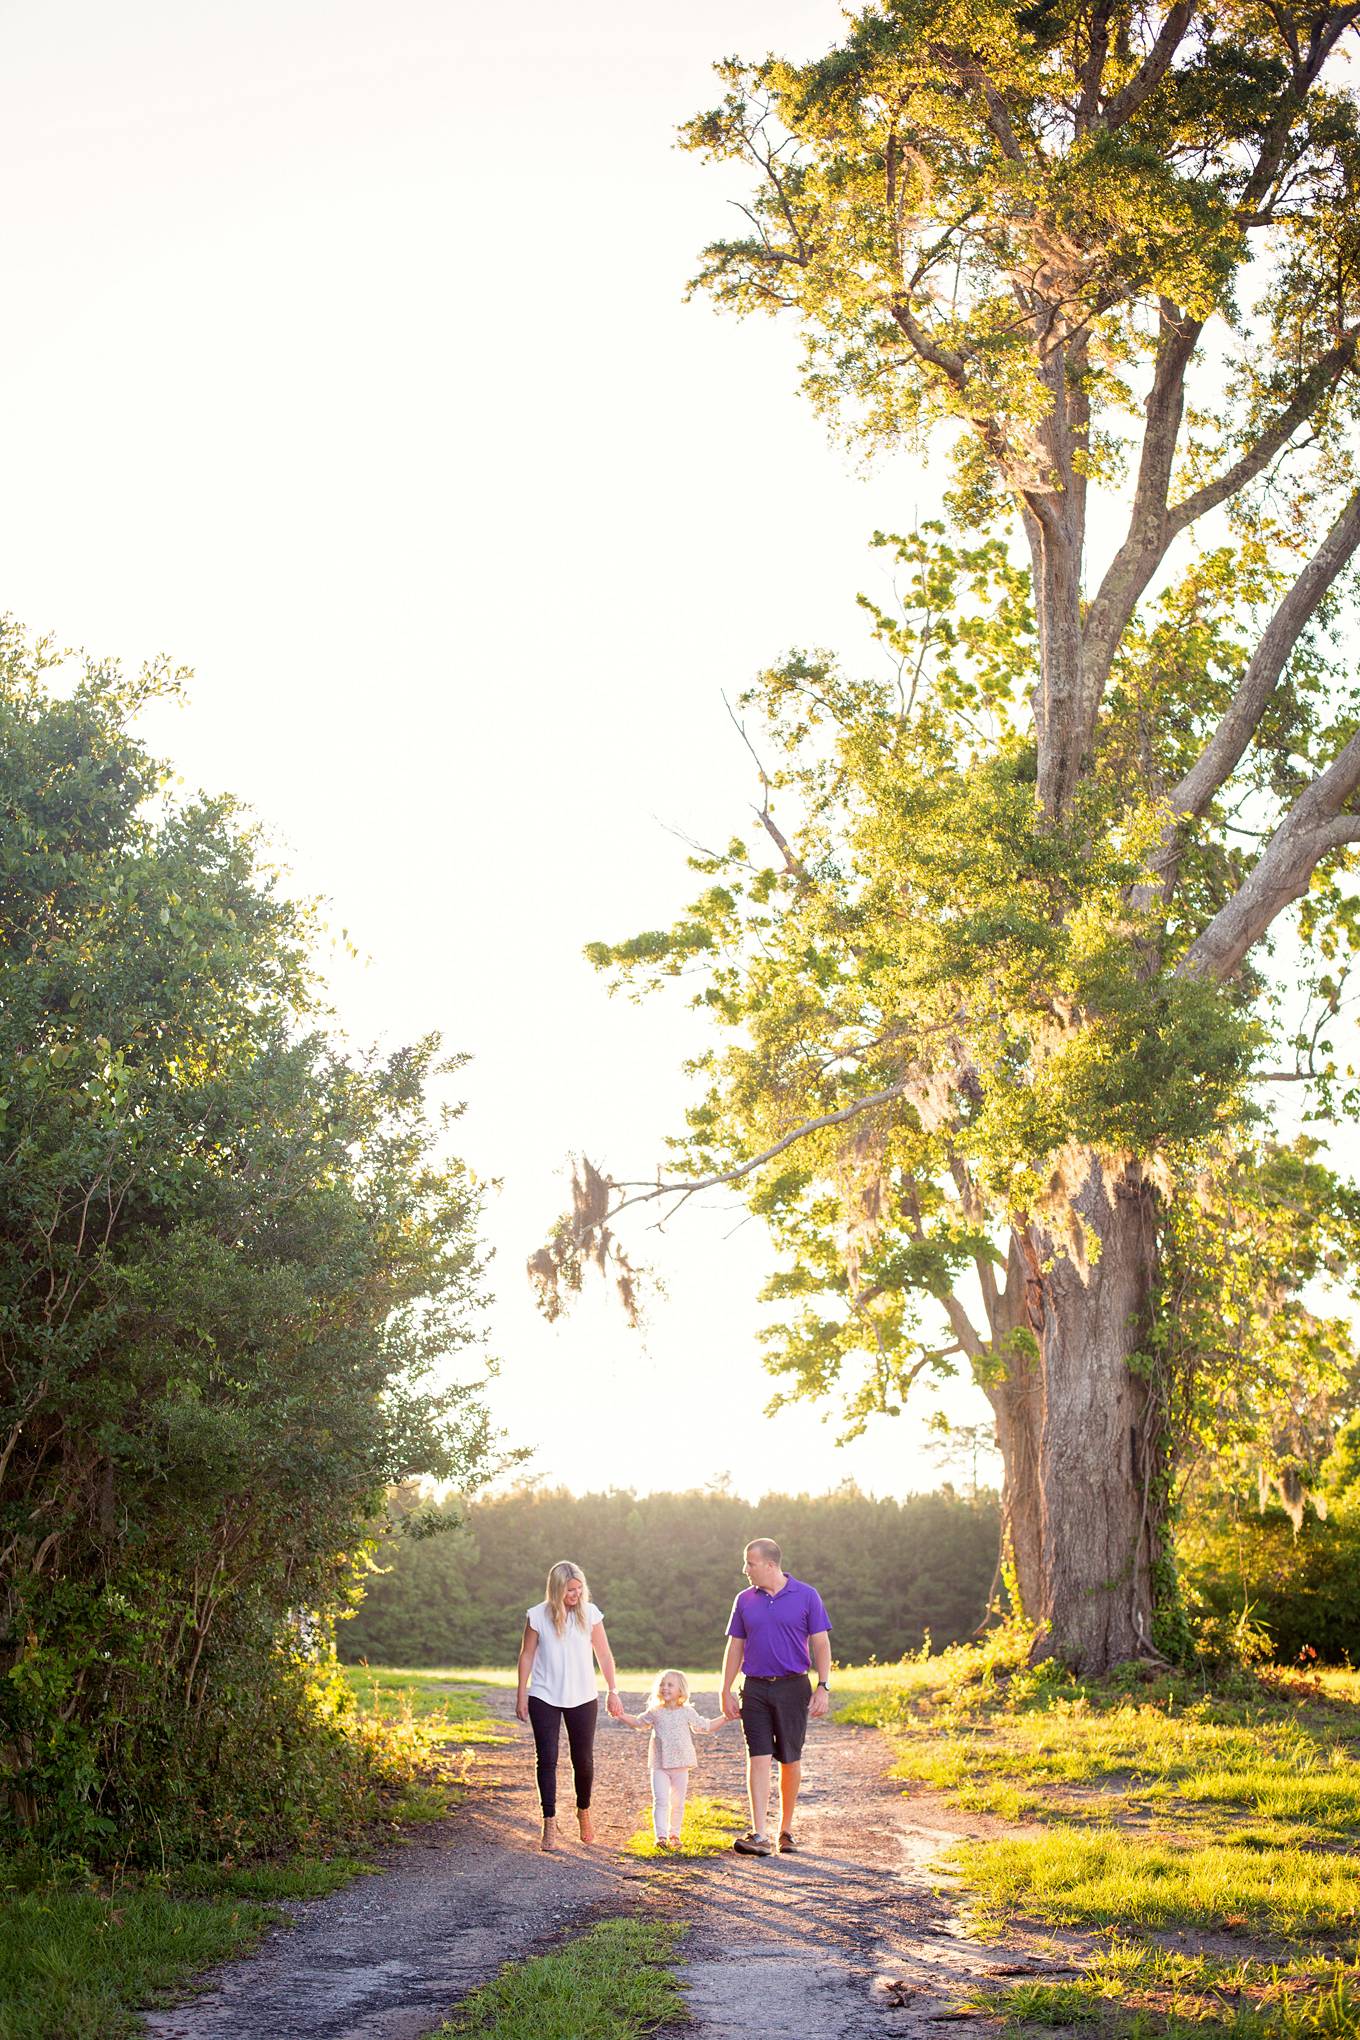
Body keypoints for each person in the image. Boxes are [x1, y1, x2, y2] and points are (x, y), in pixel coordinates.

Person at [721, 1537, 831, 1857]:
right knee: (757, 1756)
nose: (745, 1569)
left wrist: (823, 1686)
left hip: (793, 1687)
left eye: (750, 1564)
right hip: (754, 1688)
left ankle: (786, 1830)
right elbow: (736, 1647)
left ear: (770, 1565)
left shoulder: (807, 1596)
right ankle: (759, 1834)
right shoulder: (744, 1600)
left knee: (789, 1759)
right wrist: (725, 1688)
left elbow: (821, 1644)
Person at [516, 1559, 624, 1852]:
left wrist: (613, 1690)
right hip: (544, 1695)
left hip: (583, 1696)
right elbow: (526, 1655)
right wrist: (521, 1693)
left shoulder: (589, 1614)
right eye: (570, 1590)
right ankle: (549, 1821)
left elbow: (604, 1654)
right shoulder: (537, 1616)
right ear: (555, 1590)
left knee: (583, 1760)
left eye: (579, 1589)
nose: (575, 1595)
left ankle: (583, 1810)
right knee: (547, 1759)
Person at [614, 1668, 733, 1848]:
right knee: (660, 1801)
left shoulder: (686, 1711)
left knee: (677, 1803)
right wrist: (620, 1715)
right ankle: (661, 1837)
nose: (665, 1688)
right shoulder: (655, 1711)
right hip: (660, 1764)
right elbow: (638, 1723)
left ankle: (674, 1835)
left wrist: (726, 1718)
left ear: (680, 1690)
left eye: (670, 1685)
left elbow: (705, 1726)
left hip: (681, 1765)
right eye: (662, 1684)